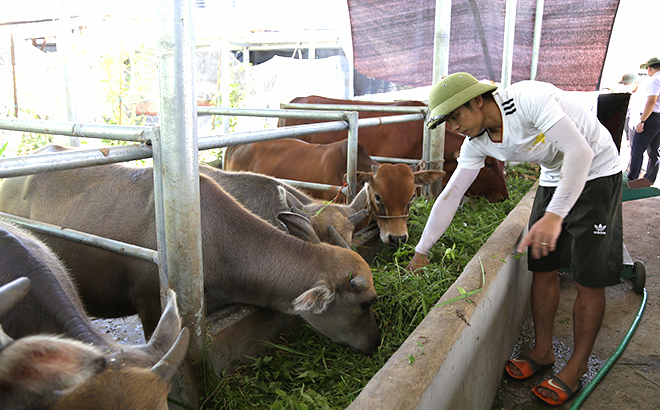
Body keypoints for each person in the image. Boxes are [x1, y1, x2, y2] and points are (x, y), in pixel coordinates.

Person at [406, 72, 622, 406]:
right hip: (553, 177)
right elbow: (450, 195)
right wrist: (422, 250)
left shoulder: (527, 100)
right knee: (542, 264)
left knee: (589, 276)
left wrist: (554, 215)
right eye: (446, 121)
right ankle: (543, 349)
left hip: (596, 171)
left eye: (455, 116)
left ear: (477, 100)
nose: (453, 127)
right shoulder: (477, 141)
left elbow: (579, 152)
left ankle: (577, 367)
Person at [627, 57, 660, 188]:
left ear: (650, 68)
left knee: (637, 148)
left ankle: (632, 178)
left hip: (651, 117)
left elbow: (651, 102)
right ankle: (650, 179)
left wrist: (642, 121)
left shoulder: (654, 80)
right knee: (654, 150)